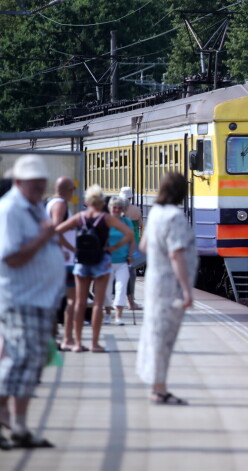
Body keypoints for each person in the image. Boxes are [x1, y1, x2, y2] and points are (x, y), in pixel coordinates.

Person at [0, 154, 65, 449]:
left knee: (31, 363)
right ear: (18, 182)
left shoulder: (33, 206)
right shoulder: (11, 210)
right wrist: (42, 239)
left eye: (42, 184)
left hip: (40, 299)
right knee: (19, 361)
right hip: (20, 298)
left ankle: (20, 427)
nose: (40, 189)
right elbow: (10, 257)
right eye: (34, 185)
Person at [136, 172, 198, 405]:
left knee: (154, 334)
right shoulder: (174, 217)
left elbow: (143, 245)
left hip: (154, 283)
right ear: (182, 192)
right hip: (170, 286)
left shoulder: (155, 213)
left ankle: (156, 386)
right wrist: (187, 290)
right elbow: (176, 254)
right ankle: (158, 389)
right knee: (163, 338)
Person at [55, 185, 133, 353]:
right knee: (98, 303)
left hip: (81, 261)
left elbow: (57, 231)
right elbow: (129, 233)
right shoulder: (106, 218)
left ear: (87, 201)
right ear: (101, 202)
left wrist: (72, 248)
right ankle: (94, 344)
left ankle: (76, 344)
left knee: (79, 303)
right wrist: (114, 247)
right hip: (101, 261)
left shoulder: (80, 217)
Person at [46, 177, 77, 351]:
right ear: (68, 189)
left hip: (58, 260)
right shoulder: (60, 204)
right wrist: (67, 248)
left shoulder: (51, 203)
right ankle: (67, 338)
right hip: (64, 261)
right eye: (72, 189)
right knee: (72, 301)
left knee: (54, 300)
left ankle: (52, 338)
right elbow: (56, 228)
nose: (73, 192)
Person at [103, 197, 134, 326]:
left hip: (122, 261)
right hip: (107, 261)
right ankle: (108, 314)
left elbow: (132, 240)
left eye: (119, 208)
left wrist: (131, 255)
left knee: (121, 288)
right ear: (110, 208)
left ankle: (118, 316)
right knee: (106, 290)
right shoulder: (104, 221)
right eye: (114, 207)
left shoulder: (126, 222)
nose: (116, 210)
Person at [119, 187, 143, 310]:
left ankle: (117, 300)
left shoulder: (118, 210)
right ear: (131, 198)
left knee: (117, 272)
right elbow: (140, 225)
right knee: (131, 272)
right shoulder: (136, 210)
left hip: (120, 243)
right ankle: (131, 302)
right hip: (134, 243)